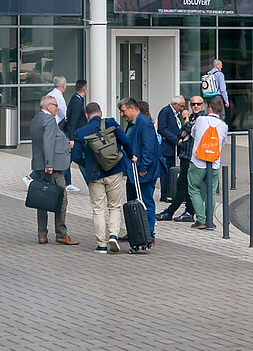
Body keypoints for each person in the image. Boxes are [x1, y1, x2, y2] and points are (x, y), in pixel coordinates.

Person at [71, 102, 127, 253]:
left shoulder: (81, 131)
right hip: (114, 171)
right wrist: (128, 156)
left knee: (98, 209)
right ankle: (114, 235)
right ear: (100, 113)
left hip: (95, 175)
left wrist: (88, 163)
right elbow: (125, 141)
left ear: (86, 116)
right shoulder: (111, 123)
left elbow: (75, 156)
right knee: (115, 206)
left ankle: (101, 244)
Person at [30, 93, 75, 245]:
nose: (58, 108)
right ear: (49, 107)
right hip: (52, 167)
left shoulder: (36, 119)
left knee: (42, 200)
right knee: (61, 199)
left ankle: (42, 234)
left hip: (38, 166)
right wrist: (49, 164)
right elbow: (48, 142)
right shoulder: (49, 119)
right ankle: (61, 233)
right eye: (56, 106)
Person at [118, 97, 162, 245]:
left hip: (143, 171)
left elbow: (148, 147)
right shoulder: (132, 123)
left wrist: (144, 167)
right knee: (133, 202)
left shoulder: (144, 124)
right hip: (133, 171)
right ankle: (135, 232)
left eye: (123, 111)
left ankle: (148, 235)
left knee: (145, 202)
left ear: (132, 108)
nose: (122, 115)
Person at [187, 96, 228, 229]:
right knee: (211, 191)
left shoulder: (200, 120)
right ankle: (210, 220)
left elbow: (193, 134)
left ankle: (200, 219)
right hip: (214, 163)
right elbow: (223, 143)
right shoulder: (224, 126)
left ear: (209, 108)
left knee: (194, 188)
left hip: (198, 161)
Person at [156, 96, 189, 219]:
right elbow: (162, 129)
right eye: (181, 106)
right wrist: (176, 140)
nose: (182, 109)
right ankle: (165, 193)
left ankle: (171, 192)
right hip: (168, 145)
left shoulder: (178, 113)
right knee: (166, 169)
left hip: (177, 145)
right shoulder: (165, 111)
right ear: (174, 104)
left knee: (173, 169)